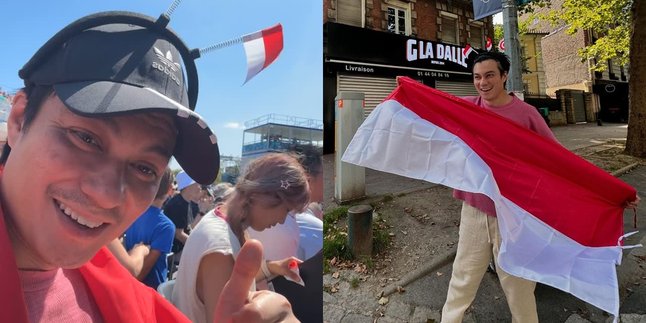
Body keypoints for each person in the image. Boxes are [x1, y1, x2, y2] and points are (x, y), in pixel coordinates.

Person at [0, 11, 296, 322]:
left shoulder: (125, 294)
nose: (107, 195)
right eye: (85, 138)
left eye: (144, 169)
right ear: (19, 121)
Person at [440, 51, 640, 323]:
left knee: (519, 285)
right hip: (474, 209)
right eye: (477, 77)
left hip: (515, 216)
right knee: (462, 280)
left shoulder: (526, 114)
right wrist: (404, 90)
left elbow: (560, 161)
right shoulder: (468, 107)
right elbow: (430, 108)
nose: (482, 83)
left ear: (504, 76)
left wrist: (612, 192)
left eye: (489, 75)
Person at [172, 153, 309, 323]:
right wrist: (283, 310)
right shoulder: (221, 250)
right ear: (261, 195)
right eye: (286, 209)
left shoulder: (224, 221)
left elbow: (237, 281)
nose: (282, 220)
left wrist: (273, 267)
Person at [107, 167, 176, 289]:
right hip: (149, 290)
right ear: (170, 190)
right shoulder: (166, 226)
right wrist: (140, 251)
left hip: (121, 284)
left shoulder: (131, 212)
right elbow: (139, 274)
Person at [164, 170, 204, 258]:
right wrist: (197, 245)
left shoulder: (186, 202)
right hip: (175, 251)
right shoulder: (177, 205)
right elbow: (178, 234)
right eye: (197, 184)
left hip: (182, 248)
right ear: (188, 186)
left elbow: (190, 227)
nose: (199, 187)